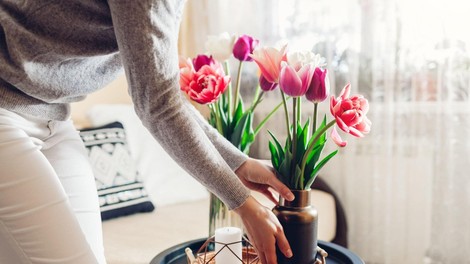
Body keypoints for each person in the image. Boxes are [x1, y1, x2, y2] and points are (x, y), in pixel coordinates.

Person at [0, 1, 295, 264]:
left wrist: (238, 164)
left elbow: (163, 95)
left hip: (55, 119)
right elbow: (158, 105)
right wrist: (242, 202)